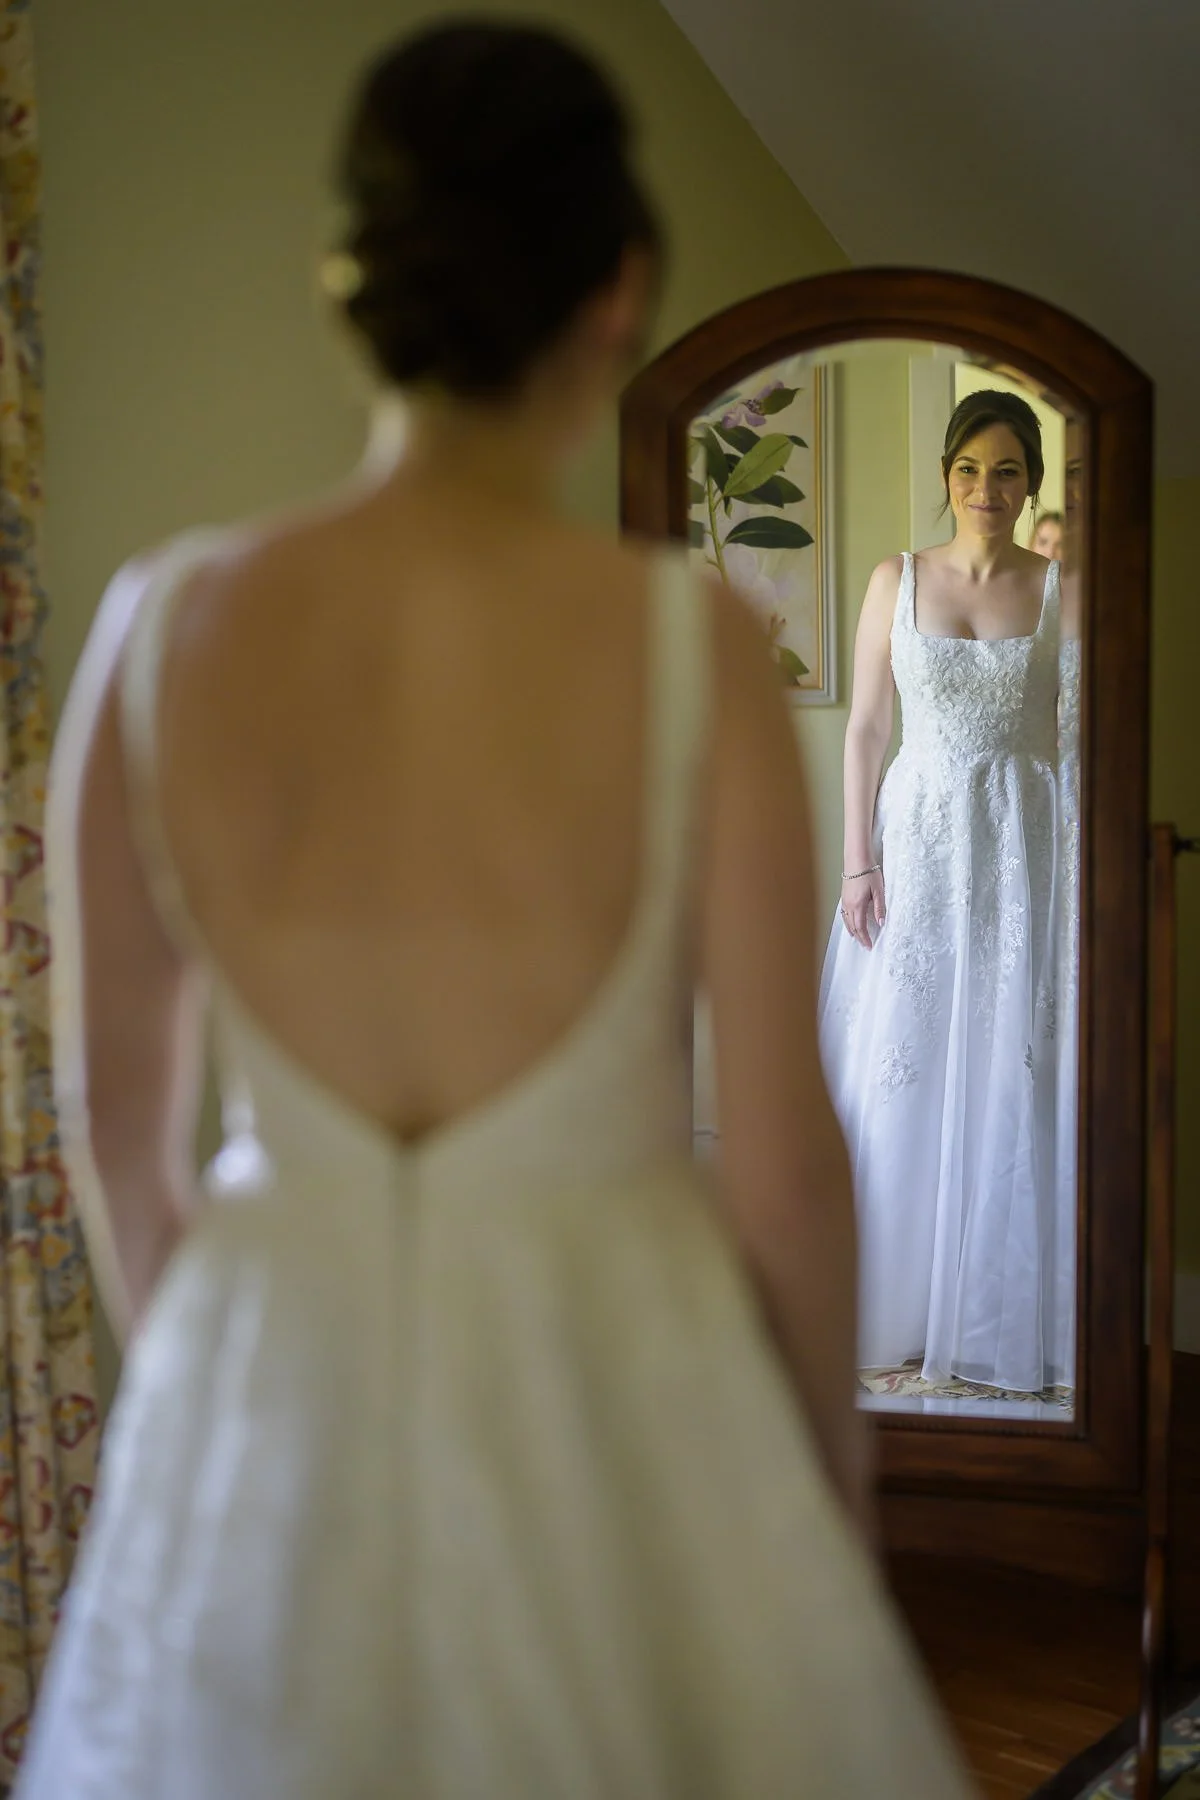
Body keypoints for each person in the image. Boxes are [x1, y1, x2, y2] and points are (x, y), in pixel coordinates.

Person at [18, 23, 974, 1799]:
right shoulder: (692, 651)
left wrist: (220, 1414)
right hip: (616, 1392)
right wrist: (828, 1512)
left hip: (271, 1374)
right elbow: (782, 1167)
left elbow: (115, 1130)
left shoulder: (159, 633)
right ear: (616, 287)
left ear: (355, 285)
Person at [819, 389, 1070, 1396]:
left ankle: (996, 1308)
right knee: (910, 1053)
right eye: (970, 470)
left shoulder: (1063, 589)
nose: (987, 490)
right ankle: (895, 1302)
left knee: (1010, 1046)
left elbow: (1082, 731)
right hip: (915, 837)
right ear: (945, 478)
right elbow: (867, 730)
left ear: (1032, 483)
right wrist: (856, 861)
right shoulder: (897, 577)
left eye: (1008, 470)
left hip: (1023, 838)